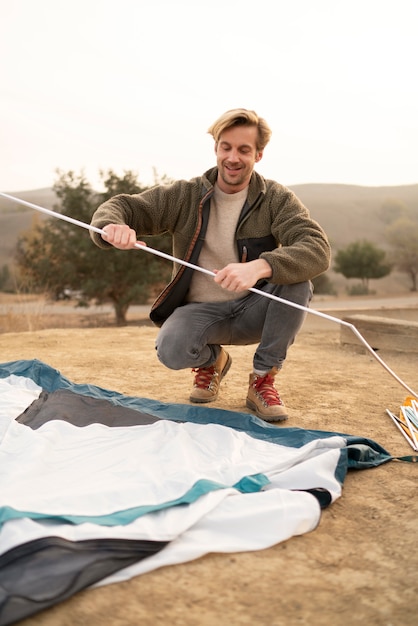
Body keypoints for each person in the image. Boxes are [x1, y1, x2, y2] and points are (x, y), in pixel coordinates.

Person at [90, 108, 331, 422]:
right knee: (171, 350)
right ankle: (212, 361)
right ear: (216, 148)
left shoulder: (276, 199)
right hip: (202, 313)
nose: (233, 157)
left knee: (299, 281)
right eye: (226, 147)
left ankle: (262, 378)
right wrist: (113, 226)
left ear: (258, 155)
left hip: (254, 310)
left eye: (244, 150)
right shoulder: (185, 196)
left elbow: (317, 248)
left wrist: (260, 267)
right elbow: (121, 206)